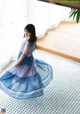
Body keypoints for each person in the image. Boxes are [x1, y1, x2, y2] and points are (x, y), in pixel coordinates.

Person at [0, 24, 53, 99]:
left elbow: (24, 54)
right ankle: (30, 89)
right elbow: (34, 48)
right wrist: (29, 53)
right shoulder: (33, 39)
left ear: (30, 32)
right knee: (27, 74)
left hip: (24, 61)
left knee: (17, 74)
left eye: (26, 32)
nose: (25, 33)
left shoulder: (28, 42)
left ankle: (22, 90)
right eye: (24, 31)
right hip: (30, 60)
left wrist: (17, 62)